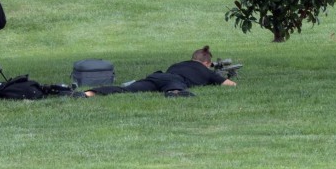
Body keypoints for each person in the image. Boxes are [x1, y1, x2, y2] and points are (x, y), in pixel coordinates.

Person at [78, 46, 236, 98]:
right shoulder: (206, 71)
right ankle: (173, 93)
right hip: (173, 81)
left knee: (125, 90)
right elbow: (230, 84)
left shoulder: (178, 64)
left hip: (157, 76)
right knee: (176, 90)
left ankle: (88, 94)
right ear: (207, 63)